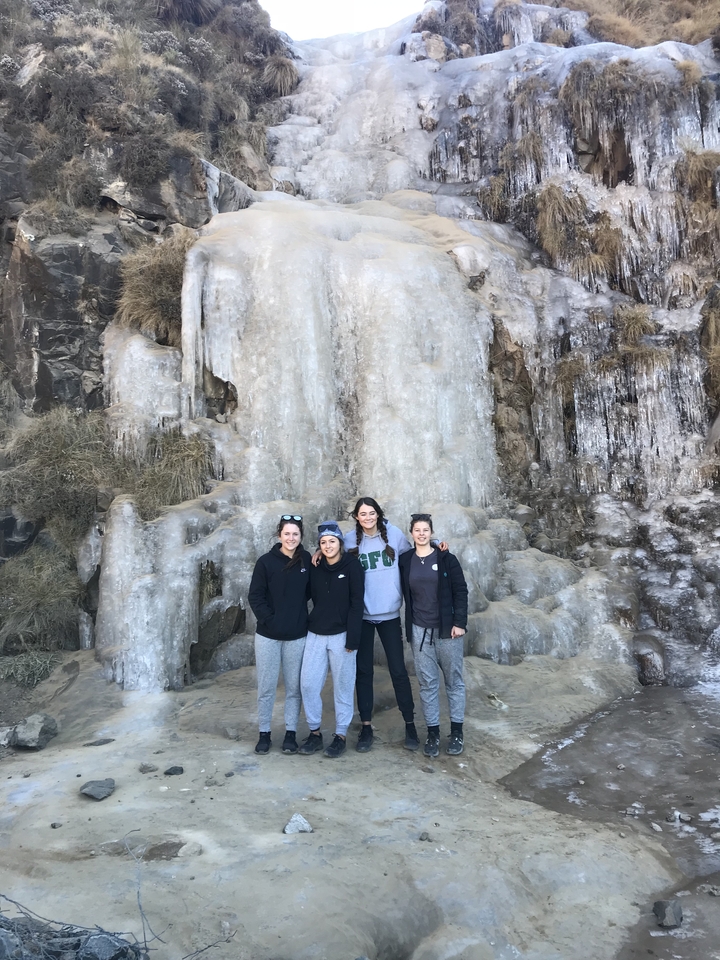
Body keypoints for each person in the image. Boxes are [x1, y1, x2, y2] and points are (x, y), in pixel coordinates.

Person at [344, 497, 420, 753]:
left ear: (378, 514)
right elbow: (334, 559)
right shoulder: (348, 540)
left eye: (371, 513)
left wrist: (435, 545)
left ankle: (409, 724)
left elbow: (414, 556)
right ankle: (366, 727)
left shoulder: (395, 535)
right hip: (362, 617)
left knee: (398, 670)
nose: (367, 517)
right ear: (356, 517)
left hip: (389, 615)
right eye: (362, 514)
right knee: (363, 672)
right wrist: (320, 552)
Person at [399, 513, 468, 757]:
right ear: (412, 533)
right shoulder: (405, 560)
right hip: (419, 631)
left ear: (431, 532)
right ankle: (433, 733)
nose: (421, 533)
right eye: (417, 530)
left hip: (447, 630)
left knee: (453, 681)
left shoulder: (446, 557)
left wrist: (459, 623)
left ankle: (457, 732)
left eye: (425, 530)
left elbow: (461, 590)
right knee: (427, 684)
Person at [299, 521, 365, 759]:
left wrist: (353, 639)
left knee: (343, 687)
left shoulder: (352, 566)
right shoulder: (314, 565)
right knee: (307, 684)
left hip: (342, 635)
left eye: (332, 541)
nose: (327, 546)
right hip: (316, 633)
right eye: (323, 542)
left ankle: (340, 735)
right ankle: (315, 733)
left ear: (340, 543)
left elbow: (357, 604)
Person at [248, 515, 311, 755]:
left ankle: (291, 734)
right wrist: (270, 620)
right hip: (268, 636)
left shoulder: (307, 560)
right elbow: (255, 596)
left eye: (295, 534)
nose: (291, 538)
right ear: (279, 536)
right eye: (287, 534)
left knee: (294, 688)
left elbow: (312, 591)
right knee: (267, 686)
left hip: (297, 635)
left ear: (300, 537)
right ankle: (264, 733)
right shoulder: (265, 562)